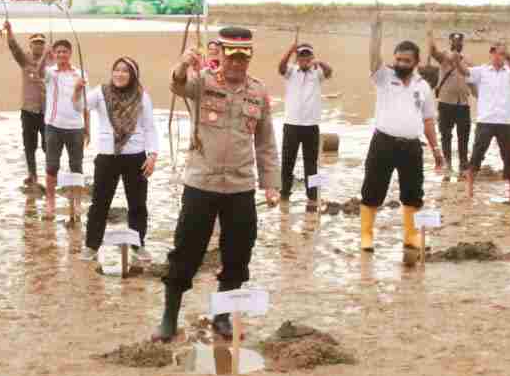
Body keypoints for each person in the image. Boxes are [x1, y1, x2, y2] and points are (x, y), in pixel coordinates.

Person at [154, 27, 279, 343]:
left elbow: (265, 142)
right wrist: (183, 63)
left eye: (243, 58)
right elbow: (176, 84)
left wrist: (271, 184)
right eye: (231, 57)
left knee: (238, 253)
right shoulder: (202, 82)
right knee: (186, 252)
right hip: (201, 184)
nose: (237, 63)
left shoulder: (258, 91)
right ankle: (169, 318)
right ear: (220, 55)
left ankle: (222, 317)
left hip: (240, 187)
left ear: (249, 57)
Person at [361, 16, 443, 261]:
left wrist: (436, 150)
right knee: (373, 190)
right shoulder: (384, 76)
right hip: (383, 143)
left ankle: (411, 236)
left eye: (406, 61)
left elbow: (428, 121)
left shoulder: (424, 86)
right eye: (397, 59)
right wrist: (376, 32)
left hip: (411, 147)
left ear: (416, 62)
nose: (400, 63)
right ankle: (366, 234)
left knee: (413, 192)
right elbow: (374, 59)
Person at [80, 57, 158, 259]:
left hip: (136, 156)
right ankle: (91, 245)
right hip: (107, 156)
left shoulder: (142, 96)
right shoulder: (100, 92)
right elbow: (79, 106)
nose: (120, 74)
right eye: (117, 70)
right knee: (99, 203)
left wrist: (152, 155)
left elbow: (150, 127)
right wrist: (77, 89)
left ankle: (138, 244)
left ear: (133, 75)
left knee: (138, 204)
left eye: (125, 71)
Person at [277, 40, 333, 209]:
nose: (304, 58)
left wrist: (319, 61)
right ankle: (284, 194)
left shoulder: (317, 73)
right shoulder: (291, 71)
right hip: (291, 125)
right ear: (297, 57)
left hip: (311, 126)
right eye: (301, 55)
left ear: (311, 56)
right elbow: (280, 67)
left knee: (311, 163)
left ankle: (313, 196)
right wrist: (289, 50)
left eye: (307, 55)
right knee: (288, 161)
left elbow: (330, 72)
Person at [36, 38, 87, 218]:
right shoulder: (51, 72)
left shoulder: (80, 73)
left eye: (64, 51)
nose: (61, 55)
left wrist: (87, 128)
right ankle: (50, 203)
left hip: (76, 127)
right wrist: (44, 54)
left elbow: (83, 104)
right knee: (52, 166)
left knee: (76, 165)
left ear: (70, 53)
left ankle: (77, 202)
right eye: (58, 52)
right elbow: (38, 72)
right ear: (54, 54)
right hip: (53, 126)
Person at [463, 42, 510, 200]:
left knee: (509, 157)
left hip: (506, 120)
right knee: (477, 154)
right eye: (496, 53)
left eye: (502, 54)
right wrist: (456, 61)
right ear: (491, 53)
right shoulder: (482, 71)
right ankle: (469, 187)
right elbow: (466, 72)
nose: (498, 56)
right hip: (486, 120)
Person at [3, 21, 52, 188]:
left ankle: (51, 176)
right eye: (35, 43)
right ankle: (32, 175)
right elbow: (14, 47)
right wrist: (9, 31)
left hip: (47, 112)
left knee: (48, 146)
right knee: (29, 146)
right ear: (30, 46)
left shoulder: (51, 62)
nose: (38, 46)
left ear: (45, 46)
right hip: (28, 111)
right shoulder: (24, 60)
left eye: (41, 43)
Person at [428, 24, 473, 180]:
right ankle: (448, 164)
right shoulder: (444, 56)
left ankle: (463, 165)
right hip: (446, 102)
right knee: (446, 135)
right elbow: (433, 52)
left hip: (463, 103)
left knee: (464, 136)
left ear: (462, 43)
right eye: (454, 41)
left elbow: (472, 78)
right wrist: (431, 38)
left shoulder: (467, 59)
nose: (457, 44)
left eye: (459, 41)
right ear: (450, 42)